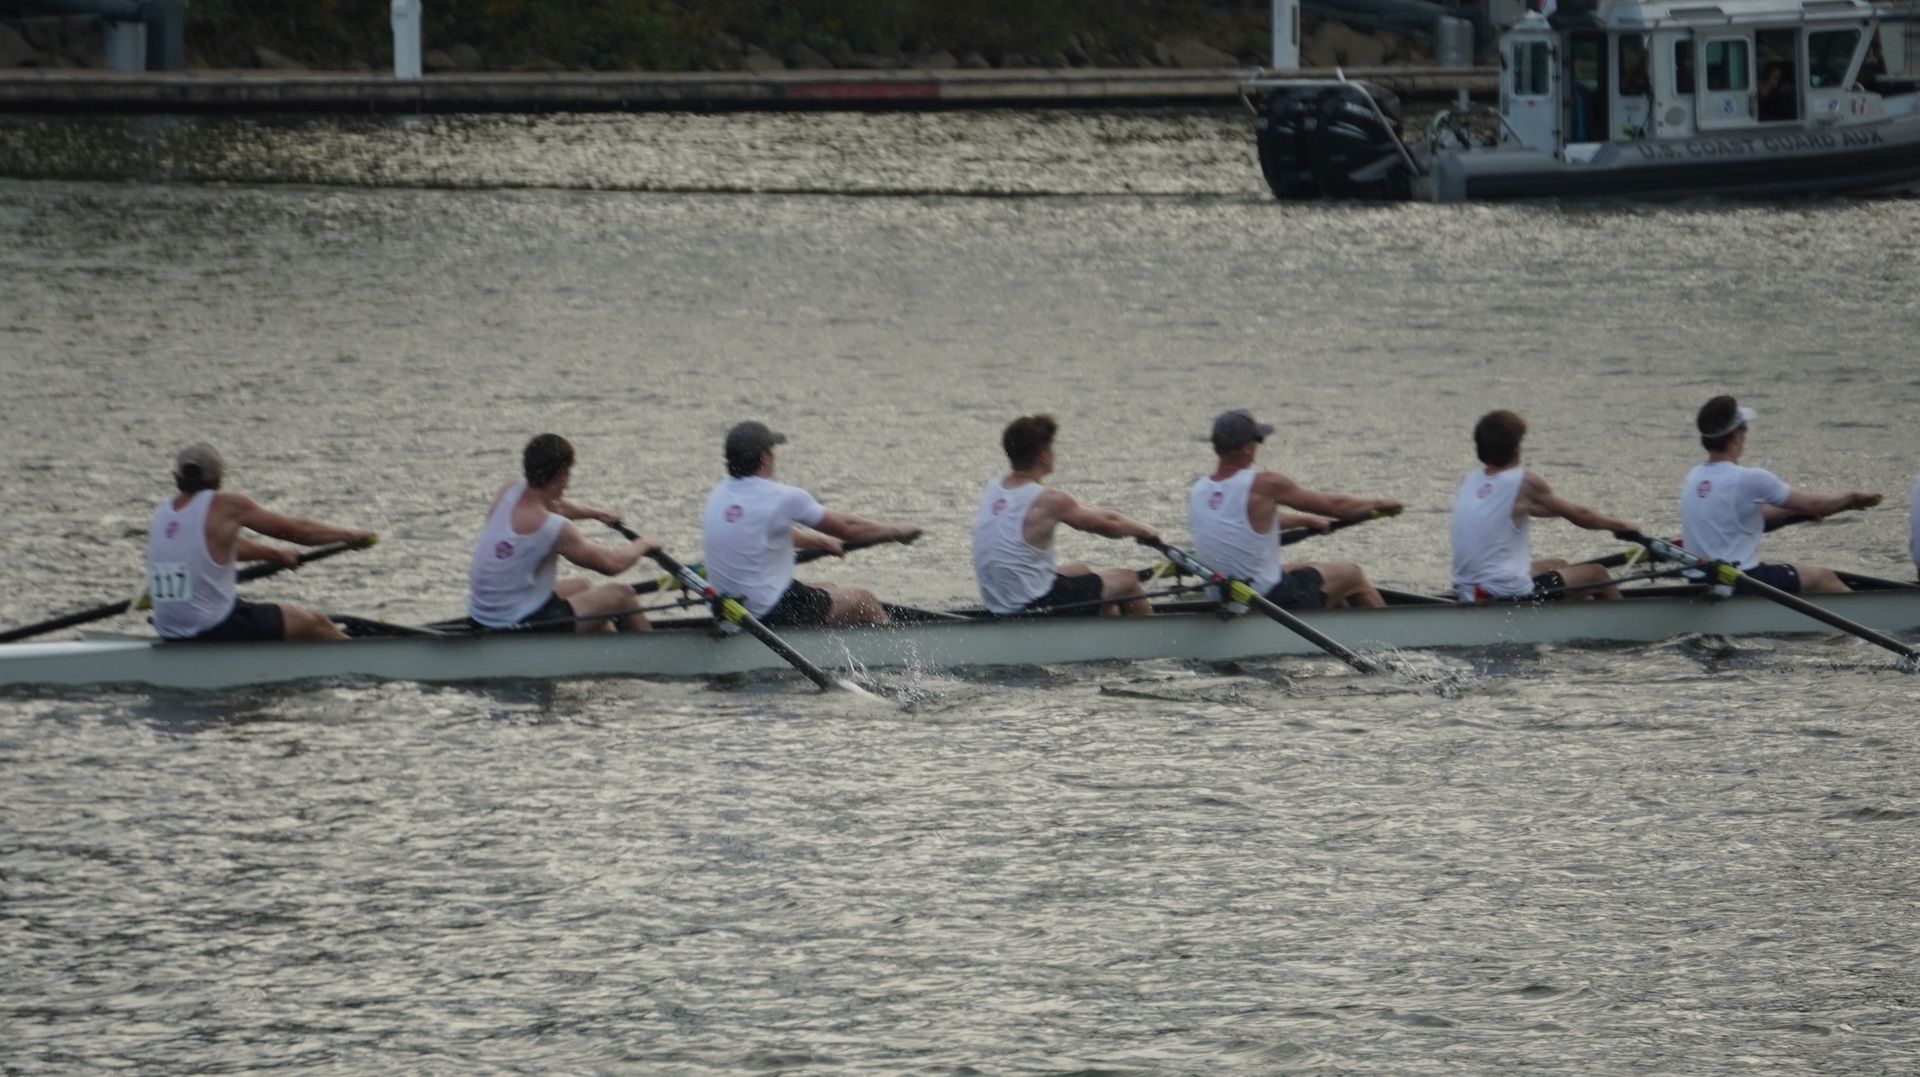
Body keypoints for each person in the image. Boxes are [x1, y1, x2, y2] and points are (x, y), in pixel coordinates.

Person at [145, 442, 373, 642]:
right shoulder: (228, 505)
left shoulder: (164, 512)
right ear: (219, 478)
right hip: (212, 628)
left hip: (170, 629)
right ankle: (366, 657)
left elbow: (222, 546)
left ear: (176, 477)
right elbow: (297, 531)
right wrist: (348, 535)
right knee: (315, 624)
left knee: (287, 621)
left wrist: (274, 554)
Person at [701, 421, 921, 627]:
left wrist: (818, 540)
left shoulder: (719, 495)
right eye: (772, 451)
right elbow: (848, 528)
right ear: (764, 458)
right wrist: (895, 532)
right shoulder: (782, 497)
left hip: (729, 609)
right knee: (864, 599)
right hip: (767, 612)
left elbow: (763, 531)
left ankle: (832, 650)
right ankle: (901, 655)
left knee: (828, 587)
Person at [1188, 409, 1401, 609]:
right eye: (1258, 440)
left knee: (1312, 569)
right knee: (1353, 574)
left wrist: (1305, 521)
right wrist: (1380, 504)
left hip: (1224, 596)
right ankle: (1392, 638)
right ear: (1246, 447)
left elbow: (1241, 522)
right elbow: (1337, 507)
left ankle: (1339, 624)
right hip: (1266, 600)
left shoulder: (1200, 490)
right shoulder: (1264, 483)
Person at [1679, 396, 1878, 595]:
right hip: (1740, 580)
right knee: (1823, 577)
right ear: (1736, 435)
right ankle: (1871, 618)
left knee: (1790, 572)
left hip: (1699, 581)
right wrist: (1851, 497)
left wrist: (1795, 512)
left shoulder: (1694, 477)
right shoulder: (1749, 478)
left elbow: (1748, 516)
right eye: (1745, 428)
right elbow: (1816, 505)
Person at [467, 433, 662, 634]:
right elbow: (611, 564)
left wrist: (596, 513)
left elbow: (556, 505)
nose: (569, 481)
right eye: (569, 472)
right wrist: (643, 544)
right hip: (515, 621)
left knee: (582, 585)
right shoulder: (552, 528)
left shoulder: (510, 490)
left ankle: (604, 652)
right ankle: (653, 658)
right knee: (622, 595)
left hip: (484, 613)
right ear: (562, 474)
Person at [971, 414, 1158, 617]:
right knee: (1127, 580)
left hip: (1000, 600)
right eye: (1051, 448)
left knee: (1081, 570)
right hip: (1029, 606)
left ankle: (1102, 634)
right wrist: (1147, 531)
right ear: (1043, 456)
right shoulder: (1050, 500)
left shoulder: (995, 487)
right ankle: (1155, 643)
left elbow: (1092, 512)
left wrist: (1119, 517)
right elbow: (1109, 525)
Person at [1450, 410, 1639, 603]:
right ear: (1515, 448)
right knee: (1597, 574)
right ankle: (1630, 627)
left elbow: (1531, 509)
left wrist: (1565, 512)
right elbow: (1581, 515)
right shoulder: (1524, 481)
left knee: (1558, 565)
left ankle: (1572, 621)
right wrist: (1622, 526)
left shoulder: (1470, 480)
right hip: (1503, 592)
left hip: (1468, 588)